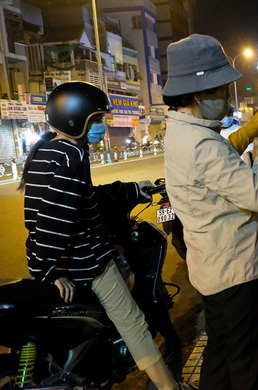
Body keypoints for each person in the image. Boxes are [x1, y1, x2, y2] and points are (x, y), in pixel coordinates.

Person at [19, 81, 186, 390]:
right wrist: (48, 270)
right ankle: (169, 386)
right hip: (87, 260)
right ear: (74, 118)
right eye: (95, 119)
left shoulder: (46, 149)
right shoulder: (71, 156)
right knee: (132, 320)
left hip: (59, 255)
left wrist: (135, 189)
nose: (100, 127)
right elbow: (56, 220)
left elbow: (79, 200)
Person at [162, 34, 258, 390]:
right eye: (220, 91)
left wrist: (248, 132)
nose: (227, 98)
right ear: (199, 95)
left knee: (221, 353)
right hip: (237, 271)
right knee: (247, 362)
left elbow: (221, 162)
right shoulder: (200, 143)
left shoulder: (183, 132)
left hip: (214, 268)